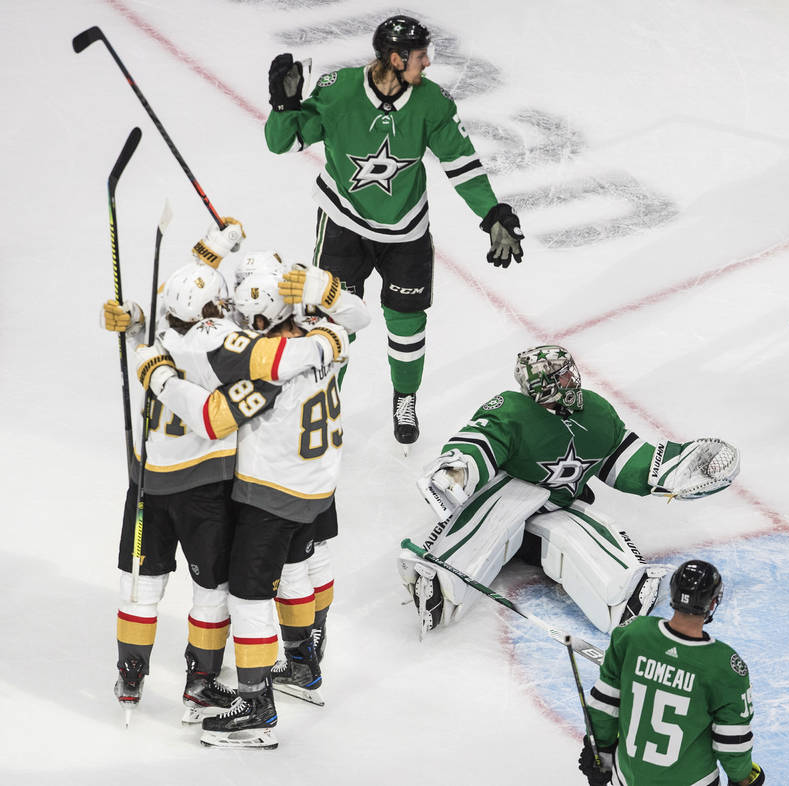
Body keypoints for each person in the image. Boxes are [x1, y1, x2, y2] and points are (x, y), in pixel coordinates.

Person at [102, 241, 343, 726]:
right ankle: (208, 681)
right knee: (221, 589)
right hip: (217, 490)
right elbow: (216, 413)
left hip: (147, 482)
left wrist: (140, 339)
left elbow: (180, 334)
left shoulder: (169, 338)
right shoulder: (247, 346)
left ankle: (131, 675)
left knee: (140, 586)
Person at [264, 14, 525, 450]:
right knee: (333, 320)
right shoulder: (339, 91)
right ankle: (325, 404)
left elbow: (461, 165)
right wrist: (283, 106)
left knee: (407, 323)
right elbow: (282, 143)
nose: (427, 63)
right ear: (395, 57)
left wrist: (493, 214)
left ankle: (405, 399)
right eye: (420, 55)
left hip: (406, 229)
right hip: (343, 222)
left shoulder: (433, 103)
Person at [398, 345, 741, 635]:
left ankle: (622, 593)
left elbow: (623, 459)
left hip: (556, 509)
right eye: (562, 375)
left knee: (587, 532)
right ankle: (440, 584)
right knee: (492, 514)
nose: (571, 378)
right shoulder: (511, 410)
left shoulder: (595, 410)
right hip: (509, 498)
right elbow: (481, 442)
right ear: (544, 386)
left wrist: (676, 470)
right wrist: (459, 469)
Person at [191, 266, 362, 749]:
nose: (243, 326)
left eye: (249, 319)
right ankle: (304, 664)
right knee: (296, 569)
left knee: (248, 595)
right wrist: (323, 290)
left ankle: (256, 707)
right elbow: (356, 315)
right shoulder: (326, 333)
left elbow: (210, 397)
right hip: (318, 487)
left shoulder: (267, 364)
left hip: (273, 496)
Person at [579, 560, 764, 786]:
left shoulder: (631, 635)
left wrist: (599, 751)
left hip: (626, 778)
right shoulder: (724, 666)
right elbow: (732, 741)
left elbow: (604, 704)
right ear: (713, 602)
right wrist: (742, 778)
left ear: (672, 593)